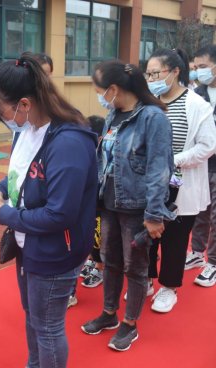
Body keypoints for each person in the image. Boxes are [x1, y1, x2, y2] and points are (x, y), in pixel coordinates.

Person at [0, 51, 98, 368]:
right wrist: (0, 191)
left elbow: (60, 214)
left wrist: (3, 214)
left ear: (25, 104)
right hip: (28, 244)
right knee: (34, 318)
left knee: (47, 328)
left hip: (56, 250)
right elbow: (16, 173)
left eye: (1, 112)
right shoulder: (26, 131)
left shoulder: (68, 141)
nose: (3, 119)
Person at [81, 60, 175, 351]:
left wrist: (154, 215)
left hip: (137, 208)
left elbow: (160, 169)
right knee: (109, 262)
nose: (99, 96)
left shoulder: (152, 118)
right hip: (109, 204)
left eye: (100, 91)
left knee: (135, 268)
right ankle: (109, 314)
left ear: (113, 89)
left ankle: (129, 324)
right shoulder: (113, 114)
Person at [145, 48, 216, 313]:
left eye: (156, 73)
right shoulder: (148, 101)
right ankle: (147, 280)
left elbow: (208, 146)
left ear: (175, 72)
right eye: (148, 73)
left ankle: (168, 288)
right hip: (149, 183)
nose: (151, 78)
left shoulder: (197, 105)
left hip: (178, 183)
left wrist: (173, 160)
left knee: (174, 238)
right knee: (147, 236)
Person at [187, 44, 216, 287]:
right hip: (201, 163)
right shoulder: (197, 94)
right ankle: (196, 252)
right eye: (196, 68)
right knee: (200, 211)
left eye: (203, 67)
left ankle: (214, 262)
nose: (198, 72)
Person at [80, 115, 106, 289]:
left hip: (100, 200)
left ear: (100, 137)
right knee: (89, 232)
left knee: (99, 233)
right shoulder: (85, 149)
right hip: (88, 200)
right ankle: (92, 258)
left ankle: (100, 267)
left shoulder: (104, 152)